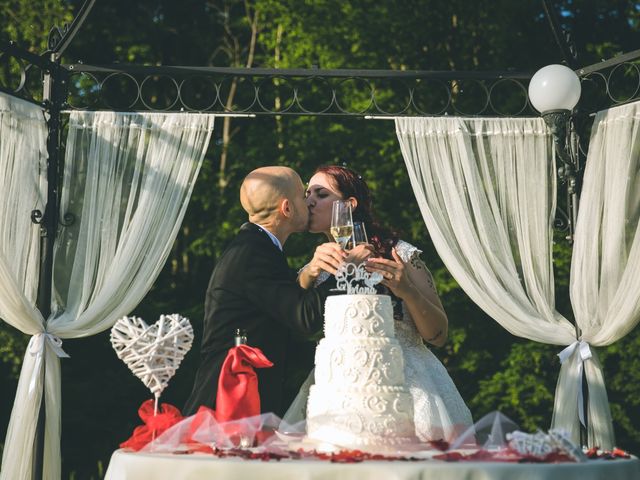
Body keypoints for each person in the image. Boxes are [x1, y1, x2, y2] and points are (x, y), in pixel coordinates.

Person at [291, 165, 474, 442]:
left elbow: (438, 335)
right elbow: (294, 323)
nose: (309, 201)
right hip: (340, 386)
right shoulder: (316, 268)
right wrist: (307, 275)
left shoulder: (398, 254)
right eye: (307, 194)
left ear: (349, 205)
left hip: (410, 383)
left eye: (321, 194)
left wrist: (408, 291)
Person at [183, 166, 346, 417]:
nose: (309, 202)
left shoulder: (256, 247)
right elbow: (304, 318)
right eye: (303, 195)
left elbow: (282, 312)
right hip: (227, 403)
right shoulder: (255, 254)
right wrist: (344, 267)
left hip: (243, 398)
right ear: (287, 209)